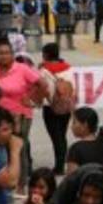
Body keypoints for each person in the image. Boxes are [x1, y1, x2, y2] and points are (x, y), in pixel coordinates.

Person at [0, 36, 48, 192]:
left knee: (18, 148)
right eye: (1, 53)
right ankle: (5, 180)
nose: (4, 56)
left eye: (7, 53)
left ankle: (21, 185)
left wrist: (33, 99)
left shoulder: (21, 69)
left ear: (12, 54)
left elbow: (42, 83)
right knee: (1, 149)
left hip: (19, 115)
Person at [38, 42, 74, 173]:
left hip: (50, 107)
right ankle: (62, 160)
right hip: (66, 105)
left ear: (46, 54)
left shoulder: (44, 70)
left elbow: (43, 89)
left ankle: (59, 166)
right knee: (62, 135)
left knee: (56, 136)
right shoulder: (68, 67)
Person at [65, 106, 103, 175]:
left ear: (85, 125)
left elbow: (72, 178)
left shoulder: (75, 149)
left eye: (74, 122)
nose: (71, 126)